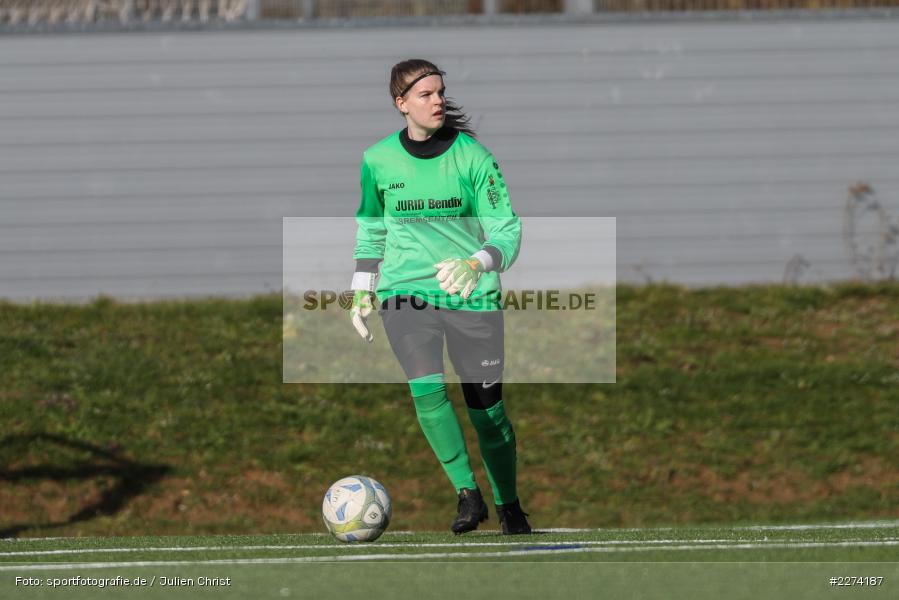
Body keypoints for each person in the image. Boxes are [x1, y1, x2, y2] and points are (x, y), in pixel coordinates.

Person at [348, 59, 531, 535]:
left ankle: (509, 505)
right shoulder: (377, 159)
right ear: (401, 103)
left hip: (471, 295)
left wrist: (476, 263)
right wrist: (362, 287)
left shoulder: (474, 158)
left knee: (488, 414)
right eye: (425, 94)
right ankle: (467, 494)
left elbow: (507, 230)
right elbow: (370, 227)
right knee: (426, 390)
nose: (437, 101)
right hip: (405, 293)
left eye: (440, 92)